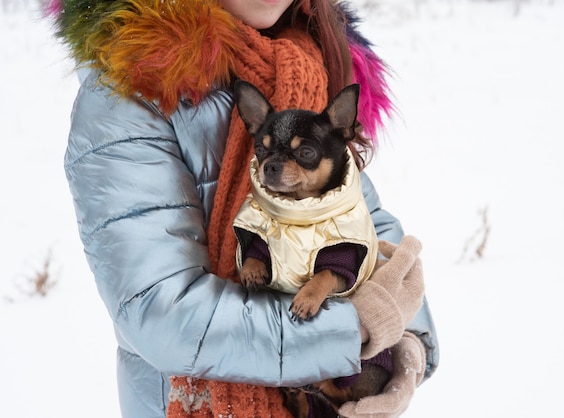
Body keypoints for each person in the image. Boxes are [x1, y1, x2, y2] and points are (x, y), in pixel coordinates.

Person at [44, 0, 439, 417]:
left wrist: (404, 343)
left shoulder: (305, 66)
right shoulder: (130, 94)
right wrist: (355, 329)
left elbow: (366, 229)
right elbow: (162, 314)